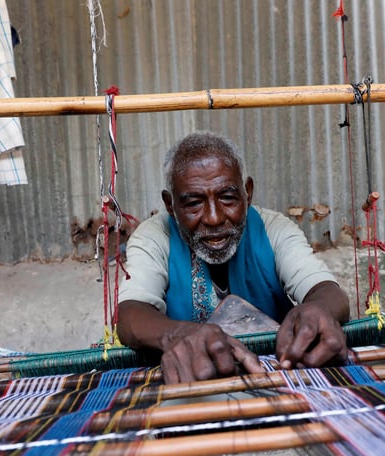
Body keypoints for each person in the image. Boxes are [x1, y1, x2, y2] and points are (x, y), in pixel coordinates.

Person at [117, 131, 351, 384]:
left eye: (227, 198)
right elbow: (131, 314)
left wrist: (317, 310)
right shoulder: (155, 235)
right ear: (170, 205)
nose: (214, 218)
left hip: (276, 379)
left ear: (247, 193)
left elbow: (326, 291)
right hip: (194, 385)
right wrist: (176, 334)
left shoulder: (273, 228)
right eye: (194, 203)